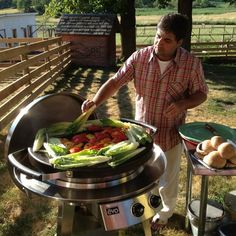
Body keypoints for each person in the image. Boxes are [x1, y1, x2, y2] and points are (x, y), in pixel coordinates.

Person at [81, 13, 208, 232]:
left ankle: (165, 213)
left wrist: (182, 104)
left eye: (167, 40)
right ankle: (144, 209)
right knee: (141, 177)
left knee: (168, 178)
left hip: (170, 133)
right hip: (142, 134)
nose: (159, 43)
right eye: (157, 36)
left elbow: (201, 94)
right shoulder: (140, 58)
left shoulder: (191, 64)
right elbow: (114, 82)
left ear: (179, 42)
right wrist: (95, 101)